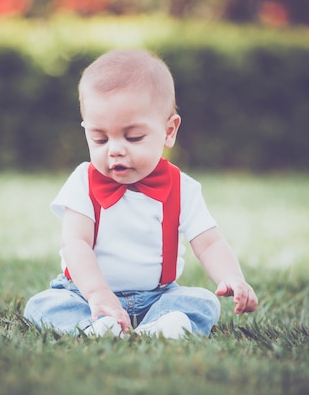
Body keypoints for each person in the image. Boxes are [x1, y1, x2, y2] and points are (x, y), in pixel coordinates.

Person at [23, 49, 257, 339]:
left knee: (203, 303)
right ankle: (97, 325)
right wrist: (98, 294)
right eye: (100, 138)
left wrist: (231, 277)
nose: (115, 149)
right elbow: (75, 243)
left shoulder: (182, 188)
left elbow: (209, 243)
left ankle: (158, 327)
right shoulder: (82, 182)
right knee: (43, 305)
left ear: (169, 131)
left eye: (133, 137)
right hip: (85, 295)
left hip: (157, 297)